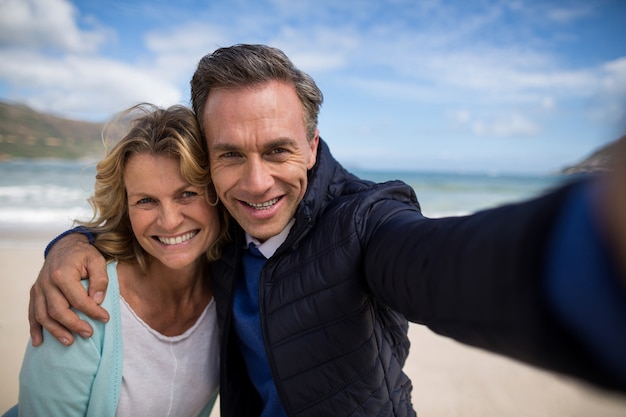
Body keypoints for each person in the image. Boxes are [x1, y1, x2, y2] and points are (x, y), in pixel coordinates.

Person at [28, 44, 626, 417]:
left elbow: (442, 264)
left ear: (312, 147)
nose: (257, 183)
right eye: (231, 155)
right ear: (208, 163)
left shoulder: (367, 221)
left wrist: (587, 247)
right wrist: (68, 247)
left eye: (279, 150)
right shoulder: (221, 228)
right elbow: (153, 226)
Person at [8, 103, 229, 416]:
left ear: (218, 194)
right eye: (146, 201)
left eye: (187, 194)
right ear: (126, 208)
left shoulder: (233, 287)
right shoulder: (78, 302)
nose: (168, 221)